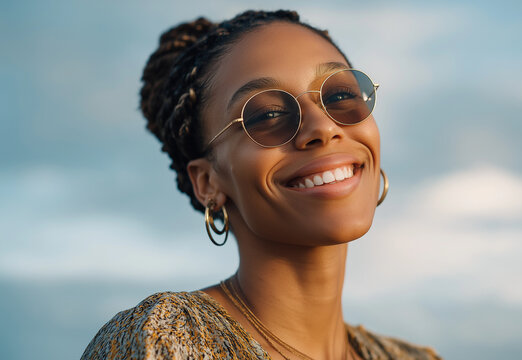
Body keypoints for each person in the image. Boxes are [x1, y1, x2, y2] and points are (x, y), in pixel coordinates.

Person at [81, 9, 440, 360]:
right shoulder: (165, 338)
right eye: (267, 115)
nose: (324, 127)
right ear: (207, 181)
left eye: (340, 96)